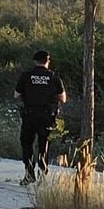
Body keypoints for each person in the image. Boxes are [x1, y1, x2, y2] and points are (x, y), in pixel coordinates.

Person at [14, 50, 66, 186]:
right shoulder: (54, 77)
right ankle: (43, 174)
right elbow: (63, 98)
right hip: (47, 116)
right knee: (44, 145)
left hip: (29, 115)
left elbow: (16, 95)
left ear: (35, 61)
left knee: (27, 144)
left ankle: (29, 173)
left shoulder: (26, 76)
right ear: (47, 61)